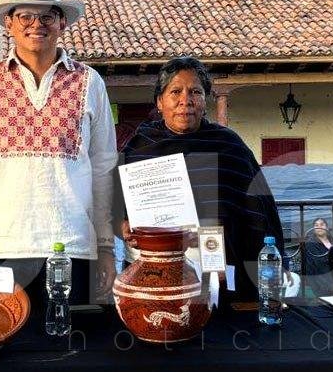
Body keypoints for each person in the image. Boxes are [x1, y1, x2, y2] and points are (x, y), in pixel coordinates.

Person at [0, 0, 117, 309]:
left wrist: (105, 247)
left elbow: (103, 170)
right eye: (25, 16)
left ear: (62, 22)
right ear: (9, 23)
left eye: (47, 16)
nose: (36, 25)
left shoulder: (89, 82)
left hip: (72, 247)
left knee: (69, 350)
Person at [115, 56, 286, 305]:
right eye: (175, 91)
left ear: (205, 101)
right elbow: (115, 205)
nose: (186, 100)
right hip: (155, 273)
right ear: (160, 102)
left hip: (219, 270)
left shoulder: (229, 146)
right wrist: (122, 223)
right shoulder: (138, 147)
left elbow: (258, 211)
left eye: (195, 91)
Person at [301, 218, 333, 297]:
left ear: (327, 227)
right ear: (314, 229)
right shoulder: (310, 244)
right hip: (319, 276)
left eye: (322, 224)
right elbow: (319, 263)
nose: (319, 227)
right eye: (316, 225)